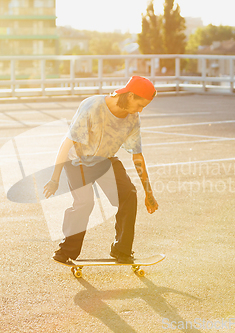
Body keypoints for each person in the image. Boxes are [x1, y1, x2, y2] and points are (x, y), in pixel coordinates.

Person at [43, 76, 159, 264]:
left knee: (128, 194)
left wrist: (149, 193)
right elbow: (66, 144)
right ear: (130, 96)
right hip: (76, 161)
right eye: (140, 104)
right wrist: (55, 179)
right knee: (85, 202)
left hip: (105, 161)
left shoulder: (132, 119)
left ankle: (122, 251)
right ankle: (66, 251)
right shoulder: (92, 107)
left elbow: (137, 156)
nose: (141, 110)